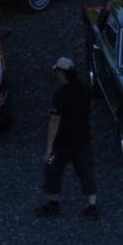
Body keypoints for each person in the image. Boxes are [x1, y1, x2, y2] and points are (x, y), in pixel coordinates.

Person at [37, 58, 99, 218]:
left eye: (56, 71)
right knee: (87, 174)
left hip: (63, 143)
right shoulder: (85, 89)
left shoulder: (61, 94)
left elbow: (55, 120)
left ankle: (53, 203)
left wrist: (49, 146)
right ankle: (92, 206)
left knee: (53, 172)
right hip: (83, 140)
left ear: (61, 72)